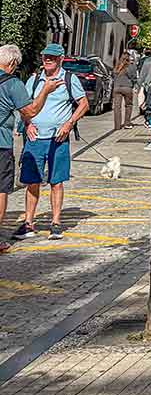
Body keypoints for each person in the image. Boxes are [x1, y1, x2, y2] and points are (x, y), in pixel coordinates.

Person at [15, 43, 89, 240]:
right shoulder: (34, 79)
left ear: (60, 59)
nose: (48, 60)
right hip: (35, 138)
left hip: (58, 137)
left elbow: (84, 103)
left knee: (56, 181)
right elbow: (25, 107)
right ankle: (28, 223)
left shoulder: (68, 79)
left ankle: (55, 223)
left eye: (52, 57)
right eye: (46, 56)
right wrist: (27, 124)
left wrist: (70, 123)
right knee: (32, 181)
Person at [0, 44, 66, 250]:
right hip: (1, 145)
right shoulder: (12, 83)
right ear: (11, 63)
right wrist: (45, 90)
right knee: (0, 190)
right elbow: (30, 111)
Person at [111, 50, 137, 131]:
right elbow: (133, 77)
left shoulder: (117, 66)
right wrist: (133, 84)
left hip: (117, 88)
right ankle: (127, 123)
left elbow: (113, 76)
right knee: (128, 105)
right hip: (127, 87)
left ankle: (117, 126)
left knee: (117, 107)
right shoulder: (131, 66)